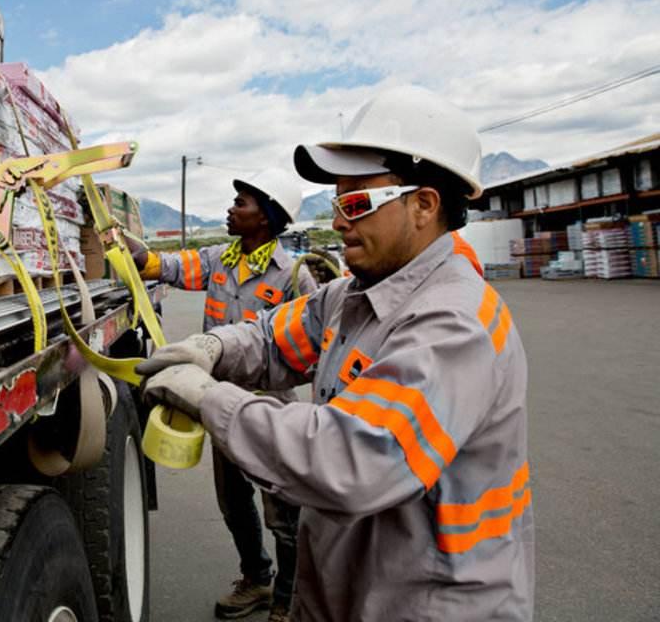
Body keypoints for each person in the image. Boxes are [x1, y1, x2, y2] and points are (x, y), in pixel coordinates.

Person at [138, 86, 534, 622]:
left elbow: (349, 460)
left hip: (427, 606)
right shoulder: (354, 295)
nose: (340, 221)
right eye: (337, 203)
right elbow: (273, 337)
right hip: (348, 591)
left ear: (424, 205)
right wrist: (213, 346)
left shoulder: (454, 325)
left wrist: (210, 399)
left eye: (355, 203)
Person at [132, 174, 317, 619]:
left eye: (241, 203)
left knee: (283, 517)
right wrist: (133, 253)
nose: (231, 209)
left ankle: (287, 599)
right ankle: (256, 579)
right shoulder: (220, 259)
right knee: (234, 503)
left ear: (267, 217)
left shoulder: (295, 275)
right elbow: (167, 267)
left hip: (272, 412)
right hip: (219, 406)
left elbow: (317, 342)